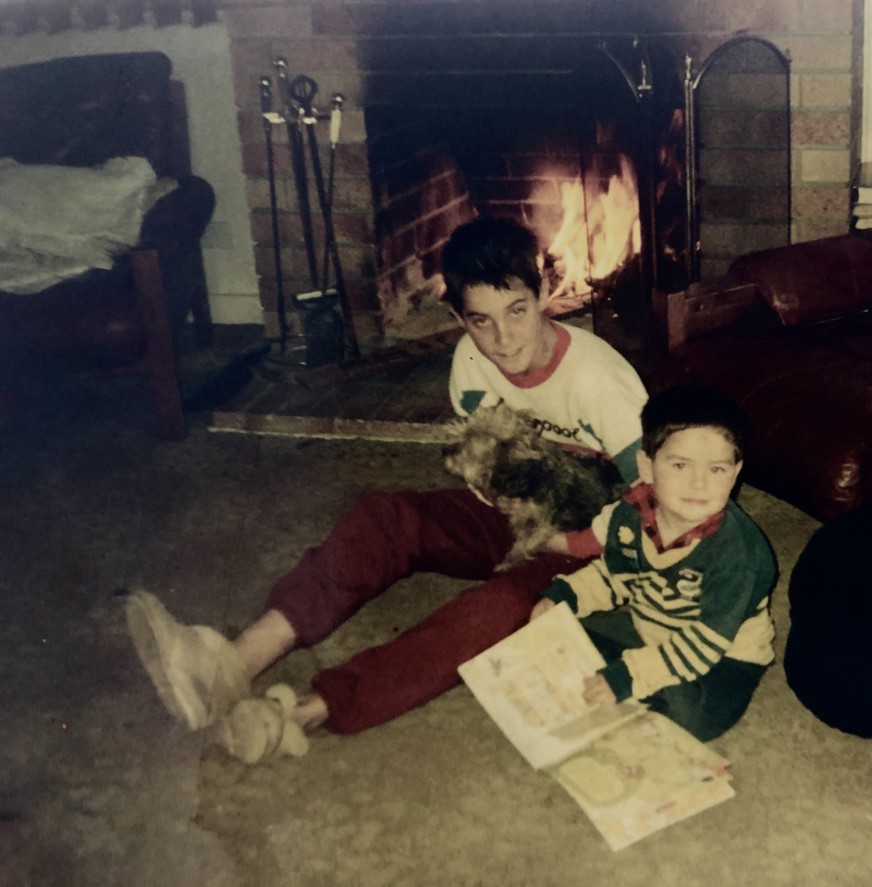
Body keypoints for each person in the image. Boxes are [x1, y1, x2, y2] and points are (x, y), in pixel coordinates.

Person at [126, 217, 649, 763]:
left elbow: (656, 507)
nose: (503, 339)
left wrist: (567, 546)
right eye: (481, 321)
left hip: (601, 541)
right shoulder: (471, 363)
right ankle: (232, 663)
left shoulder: (599, 382)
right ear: (458, 318)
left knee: (498, 609)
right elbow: (484, 460)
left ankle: (304, 712)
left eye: (516, 311)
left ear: (542, 292)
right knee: (387, 516)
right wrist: (501, 503)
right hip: (522, 517)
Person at [529, 384, 777, 741]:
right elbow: (613, 575)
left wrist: (627, 677)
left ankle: (639, 680)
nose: (699, 483)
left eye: (717, 469)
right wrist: (564, 596)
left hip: (724, 656)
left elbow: (705, 643)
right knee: (552, 635)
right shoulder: (627, 515)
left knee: (689, 718)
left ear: (736, 473)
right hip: (650, 625)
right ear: (646, 466)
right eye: (679, 464)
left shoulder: (740, 554)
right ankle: (634, 675)